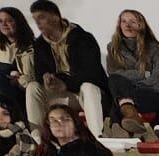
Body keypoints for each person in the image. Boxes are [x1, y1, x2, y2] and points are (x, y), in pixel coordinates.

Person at [27, 0, 107, 132]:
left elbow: (92, 74)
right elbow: (39, 72)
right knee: (32, 87)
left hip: (84, 94)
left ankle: (97, 137)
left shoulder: (83, 38)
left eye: (42, 17)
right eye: (35, 19)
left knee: (88, 87)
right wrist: (46, 78)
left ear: (56, 16)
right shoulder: (40, 44)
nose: (38, 23)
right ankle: (37, 140)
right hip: (59, 94)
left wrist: (65, 83)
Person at [103, 9, 159, 129]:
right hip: (132, 96)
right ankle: (130, 118)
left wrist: (131, 85)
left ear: (141, 25)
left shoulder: (154, 49)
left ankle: (118, 129)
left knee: (120, 98)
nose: (127, 25)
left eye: (132, 22)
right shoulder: (113, 48)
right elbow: (114, 74)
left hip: (157, 96)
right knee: (115, 81)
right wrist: (145, 74)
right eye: (124, 21)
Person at [0, 6, 34, 122]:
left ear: (19, 22)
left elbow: (34, 79)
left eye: (9, 20)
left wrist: (19, 81)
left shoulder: (33, 48)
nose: (4, 24)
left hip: (21, 93)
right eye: (1, 21)